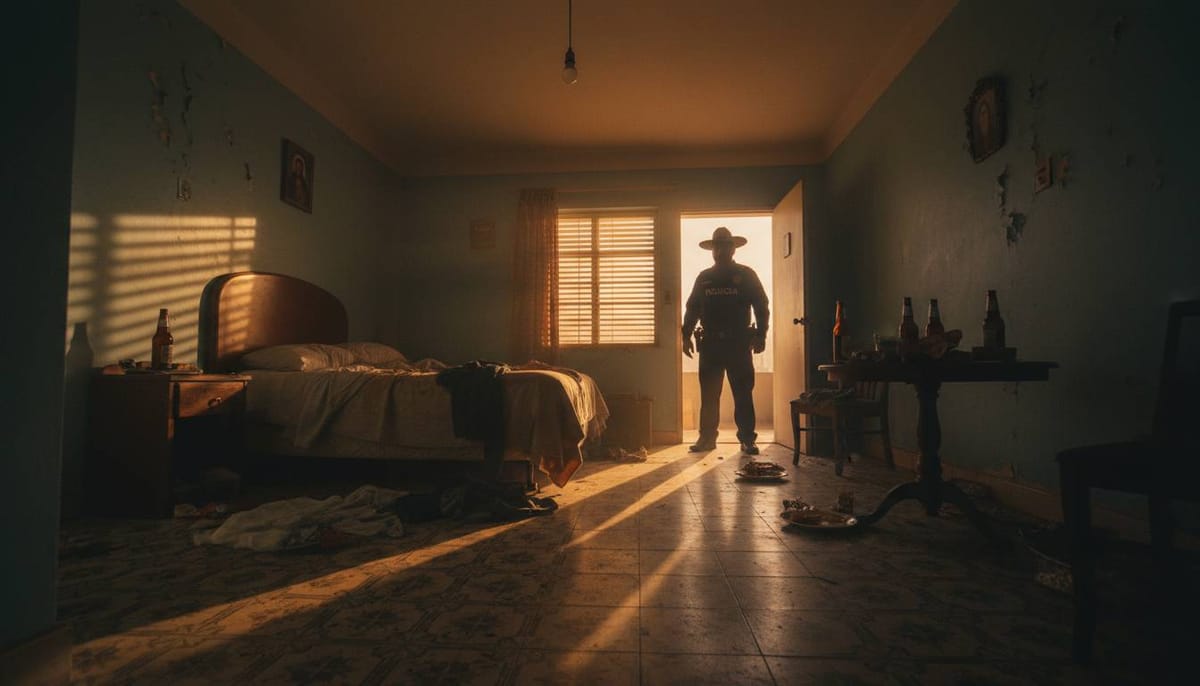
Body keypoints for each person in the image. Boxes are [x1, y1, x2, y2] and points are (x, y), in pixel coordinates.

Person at [682, 226, 769, 454]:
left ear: (733, 248)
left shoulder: (746, 274)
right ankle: (707, 438)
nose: (720, 250)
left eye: (725, 245)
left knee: (742, 394)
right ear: (712, 250)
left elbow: (762, 305)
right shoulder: (704, 278)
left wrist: (762, 334)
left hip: (739, 343)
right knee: (709, 396)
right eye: (717, 246)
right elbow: (692, 308)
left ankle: (747, 439)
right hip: (710, 345)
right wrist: (685, 334)